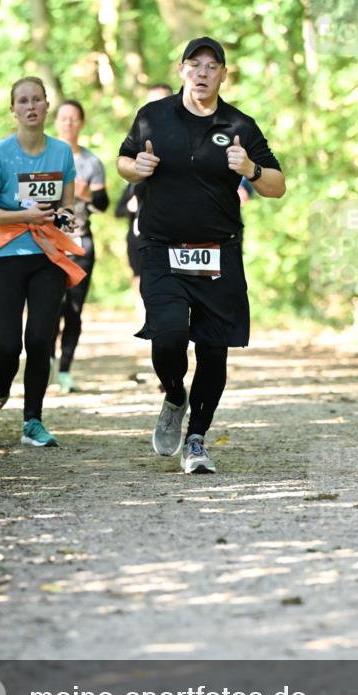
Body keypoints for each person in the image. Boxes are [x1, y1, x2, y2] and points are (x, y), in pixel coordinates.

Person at [116, 37, 286, 474]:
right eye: (196, 64)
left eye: (213, 66)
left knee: (213, 351)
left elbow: (277, 185)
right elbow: (122, 160)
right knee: (167, 336)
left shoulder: (240, 125)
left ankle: (196, 438)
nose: (204, 72)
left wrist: (250, 170)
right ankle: (174, 394)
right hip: (162, 249)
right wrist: (137, 169)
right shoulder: (152, 117)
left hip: (219, 253)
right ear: (182, 70)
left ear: (224, 75)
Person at [0, 76, 86, 447]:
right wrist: (23, 216)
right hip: (5, 258)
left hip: (47, 256)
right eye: (23, 101)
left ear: (47, 106)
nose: (31, 107)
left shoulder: (61, 153)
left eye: (37, 100)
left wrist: (66, 218)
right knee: (9, 346)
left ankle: (33, 421)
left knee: (40, 341)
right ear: (13, 110)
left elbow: (66, 206)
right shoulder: (0, 154)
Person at [50, 99, 109, 393]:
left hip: (79, 242)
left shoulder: (91, 162)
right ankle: (46, 361)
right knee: (49, 306)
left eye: (73, 118)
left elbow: (104, 204)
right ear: (56, 122)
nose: (68, 123)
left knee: (73, 309)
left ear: (81, 123)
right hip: (46, 243)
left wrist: (86, 195)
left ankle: (65, 370)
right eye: (63, 118)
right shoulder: (43, 157)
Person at [115, 84, 173, 295]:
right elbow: (119, 207)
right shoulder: (135, 150)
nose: (156, 108)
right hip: (142, 236)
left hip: (178, 236)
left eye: (162, 101)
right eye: (151, 103)